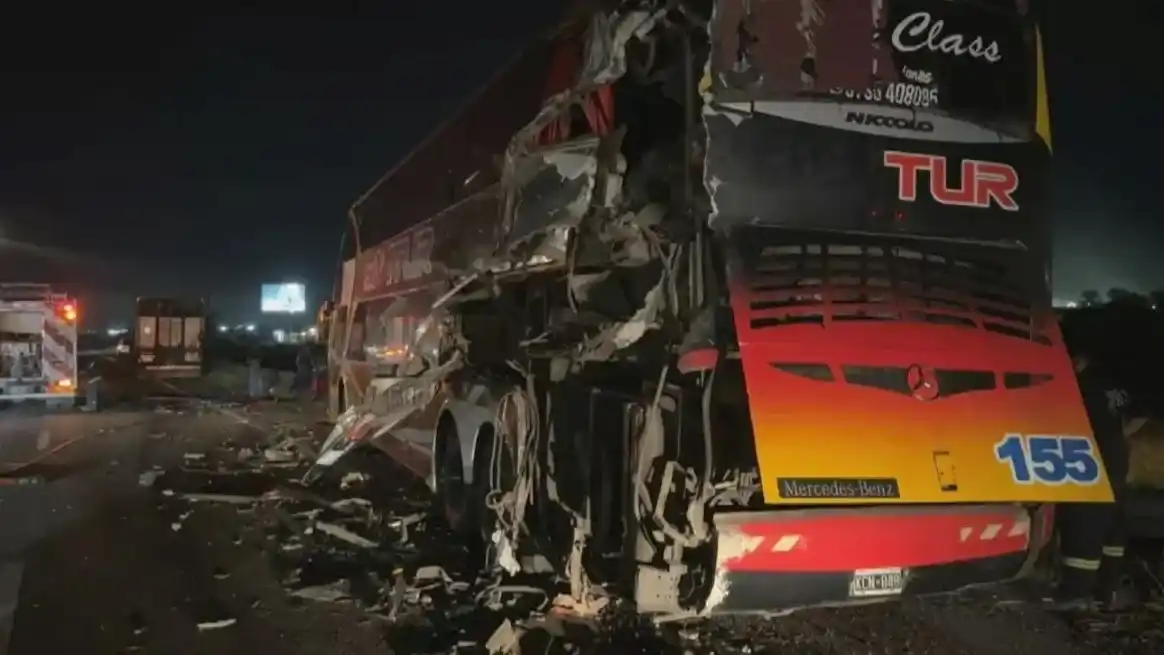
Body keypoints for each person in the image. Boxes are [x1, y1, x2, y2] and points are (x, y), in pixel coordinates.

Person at [1052, 322, 1149, 610]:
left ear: (1076, 358)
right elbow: (1139, 415)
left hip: (1090, 467)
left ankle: (1073, 595)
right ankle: (1106, 591)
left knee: (1083, 529)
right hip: (1117, 463)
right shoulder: (1111, 381)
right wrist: (1117, 437)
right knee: (1112, 533)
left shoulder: (1078, 386)